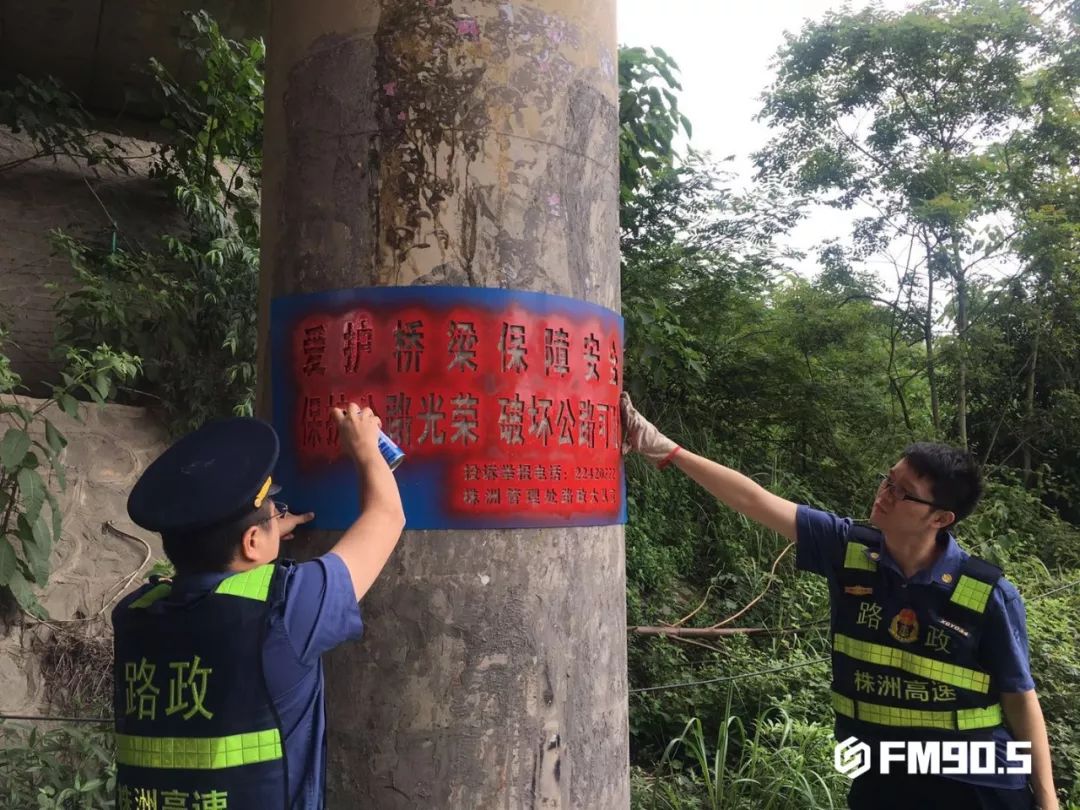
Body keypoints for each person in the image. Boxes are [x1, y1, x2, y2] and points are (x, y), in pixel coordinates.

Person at [620, 393, 1058, 810]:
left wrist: (1049, 801)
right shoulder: (849, 547)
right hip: (880, 774)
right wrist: (662, 448)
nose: (883, 493)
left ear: (941, 519)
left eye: (901, 492)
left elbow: (1020, 699)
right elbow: (753, 498)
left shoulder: (985, 592)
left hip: (977, 782)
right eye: (887, 480)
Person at [112, 403, 404, 809]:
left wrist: (259, 535)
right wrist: (367, 448)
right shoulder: (283, 611)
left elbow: (207, 582)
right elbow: (387, 516)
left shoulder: (135, 614)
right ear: (251, 542)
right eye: (274, 514)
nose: (279, 517)